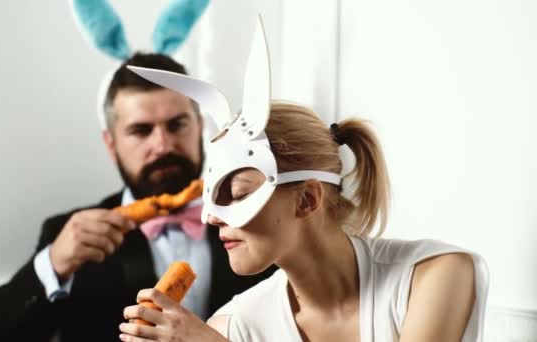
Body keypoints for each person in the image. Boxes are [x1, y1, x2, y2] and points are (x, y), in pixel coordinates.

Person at [117, 19, 489, 342]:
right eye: (214, 196)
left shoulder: (434, 276)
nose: (212, 217)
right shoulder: (235, 325)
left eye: (239, 194)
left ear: (307, 200)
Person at [0, 52, 275, 342]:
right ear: (111, 145)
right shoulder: (66, 236)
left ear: (200, 127)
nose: (163, 145)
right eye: (141, 130)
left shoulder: (256, 218)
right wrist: (53, 266)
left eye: (176, 125)